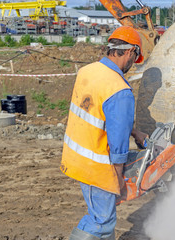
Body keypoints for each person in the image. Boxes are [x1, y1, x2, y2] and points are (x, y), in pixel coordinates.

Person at [60, 26, 147, 240]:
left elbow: (97, 111)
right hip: (97, 166)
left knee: (99, 216)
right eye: (135, 58)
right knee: (102, 222)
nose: (132, 64)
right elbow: (118, 147)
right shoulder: (120, 90)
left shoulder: (88, 71)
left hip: (76, 156)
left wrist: (133, 130)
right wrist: (117, 179)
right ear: (129, 52)